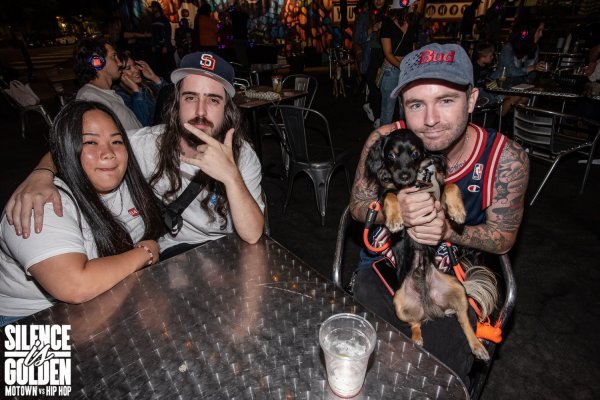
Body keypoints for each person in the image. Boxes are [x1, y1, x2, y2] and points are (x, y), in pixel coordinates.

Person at [348, 43, 529, 383]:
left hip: (453, 273)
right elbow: (357, 207)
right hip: (385, 265)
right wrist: (388, 211)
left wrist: (448, 231)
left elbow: (504, 239)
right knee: (369, 355)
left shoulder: (506, 159)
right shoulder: (384, 141)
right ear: (402, 106)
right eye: (416, 104)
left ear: (472, 100)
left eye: (446, 100)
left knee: (435, 372)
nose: (430, 120)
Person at [4, 51, 265, 260]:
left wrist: (231, 176)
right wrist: (41, 174)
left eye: (213, 100)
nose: (200, 111)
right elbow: (75, 146)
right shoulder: (147, 144)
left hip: (228, 248)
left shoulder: (243, 156)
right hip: (173, 252)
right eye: (190, 97)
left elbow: (253, 235)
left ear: (227, 109)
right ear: (176, 103)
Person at [0, 101, 164, 326]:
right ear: (69, 148)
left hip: (105, 296)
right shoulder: (43, 204)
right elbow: (75, 286)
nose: (108, 153)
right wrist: (146, 252)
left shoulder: (128, 179)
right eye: (90, 142)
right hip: (30, 317)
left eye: (116, 141)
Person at [74, 37, 143, 131]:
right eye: (113, 56)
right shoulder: (91, 99)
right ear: (97, 62)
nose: (119, 63)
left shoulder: (104, 93)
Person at [490, 19, 546, 115]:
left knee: (526, 97)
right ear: (531, 32)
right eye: (539, 30)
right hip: (497, 84)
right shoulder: (509, 47)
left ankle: (513, 121)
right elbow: (509, 71)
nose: (541, 34)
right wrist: (532, 68)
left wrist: (536, 71)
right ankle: (496, 119)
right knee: (516, 96)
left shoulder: (534, 48)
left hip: (517, 85)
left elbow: (531, 76)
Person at [378, 0, 417, 126]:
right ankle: (384, 136)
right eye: (412, 4)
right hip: (391, 71)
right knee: (388, 109)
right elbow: (388, 53)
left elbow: (413, 49)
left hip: (406, 71)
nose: (414, 6)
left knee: (406, 107)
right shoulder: (387, 25)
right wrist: (403, 67)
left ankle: (403, 135)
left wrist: (413, 66)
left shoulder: (411, 24)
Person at [115, 51, 167, 126]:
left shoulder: (145, 85)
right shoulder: (121, 97)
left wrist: (155, 78)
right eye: (128, 68)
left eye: (135, 65)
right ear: (120, 74)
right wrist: (136, 91)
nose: (136, 70)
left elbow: (171, 100)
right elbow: (144, 124)